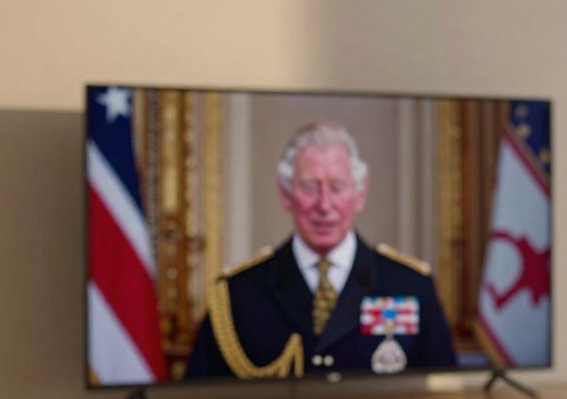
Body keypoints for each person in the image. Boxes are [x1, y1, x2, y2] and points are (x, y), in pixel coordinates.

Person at [188, 122, 457, 378]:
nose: (324, 205)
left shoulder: (409, 285)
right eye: (309, 187)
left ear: (359, 195)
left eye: (337, 187)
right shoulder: (239, 293)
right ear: (286, 195)